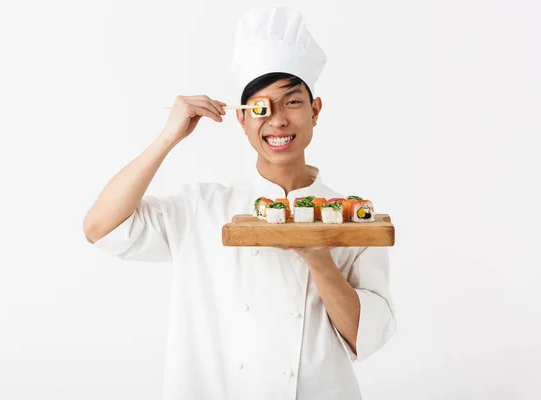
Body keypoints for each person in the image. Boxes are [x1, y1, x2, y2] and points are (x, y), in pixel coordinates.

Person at [83, 6, 396, 400]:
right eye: (261, 108)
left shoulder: (349, 216)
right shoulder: (202, 206)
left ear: (315, 111)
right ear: (242, 120)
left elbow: (364, 339)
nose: (278, 121)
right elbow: (100, 229)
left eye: (292, 102)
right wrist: (168, 137)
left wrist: (319, 258)